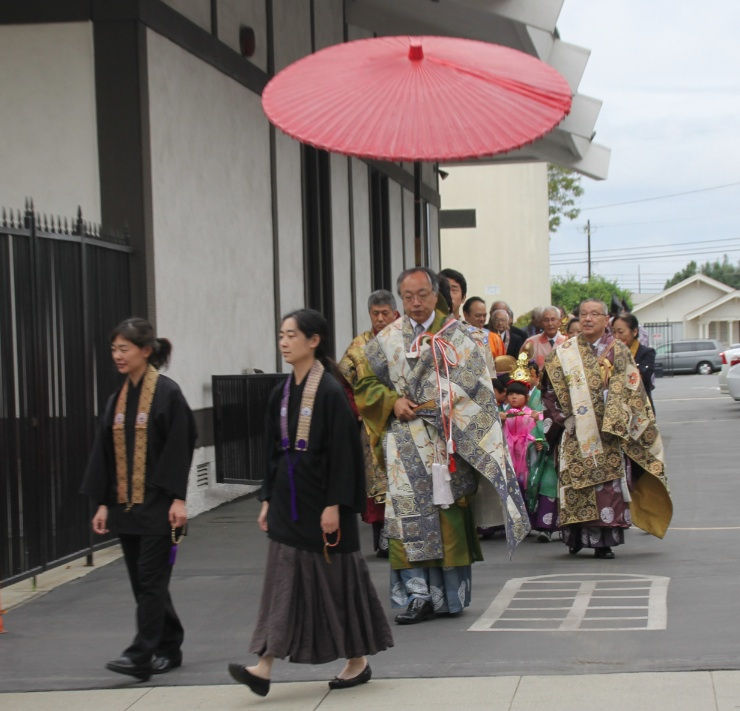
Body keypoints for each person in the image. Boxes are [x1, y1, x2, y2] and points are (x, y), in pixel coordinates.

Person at [229, 309, 393, 696]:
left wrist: (335, 504)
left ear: (314, 341)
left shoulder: (333, 392)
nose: (284, 342)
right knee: (282, 582)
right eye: (281, 335)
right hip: (289, 501)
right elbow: (272, 452)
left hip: (323, 504)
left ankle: (357, 660)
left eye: (291, 335)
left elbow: (343, 454)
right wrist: (267, 498)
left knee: (338, 585)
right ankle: (263, 666)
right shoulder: (280, 393)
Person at [353, 268, 528, 624]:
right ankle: (416, 596)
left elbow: (479, 389)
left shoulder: (462, 337)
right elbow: (363, 383)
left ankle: (449, 596)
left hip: (447, 441)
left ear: (436, 296)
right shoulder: (387, 339)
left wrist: (447, 407)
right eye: (407, 296)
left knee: (445, 515)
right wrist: (391, 402)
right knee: (408, 518)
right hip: (403, 440)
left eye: (421, 295)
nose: (415, 303)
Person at [80, 317, 197, 681]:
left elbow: (180, 445)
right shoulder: (117, 398)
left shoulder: (167, 393)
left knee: (150, 580)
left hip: (159, 505)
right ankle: (169, 643)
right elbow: (104, 453)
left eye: (124, 349)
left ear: (145, 351)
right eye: (114, 349)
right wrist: (102, 503)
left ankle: (140, 655)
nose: (117, 355)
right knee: (145, 583)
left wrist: (178, 499)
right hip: (125, 507)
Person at [541, 299, 672, 560]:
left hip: (609, 432)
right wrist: (563, 418)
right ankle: (575, 537)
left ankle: (604, 542)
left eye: (595, 314)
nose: (588, 319)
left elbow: (633, 390)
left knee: (606, 488)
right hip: (575, 430)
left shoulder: (619, 351)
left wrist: (616, 417)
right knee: (575, 486)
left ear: (605, 319)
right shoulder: (563, 352)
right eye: (584, 314)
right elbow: (548, 389)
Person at [338, 289, 400, 557]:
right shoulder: (358, 346)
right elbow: (345, 383)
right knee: (377, 483)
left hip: (403, 421)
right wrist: (358, 411)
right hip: (372, 426)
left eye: (385, 313)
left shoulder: (406, 342)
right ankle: (383, 541)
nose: (380, 319)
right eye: (375, 314)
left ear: (395, 314)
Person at [612, 313, 656, 409]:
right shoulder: (610, 353)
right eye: (614, 332)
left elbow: (641, 378)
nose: (616, 337)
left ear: (635, 331)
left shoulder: (647, 353)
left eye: (620, 332)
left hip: (641, 407)